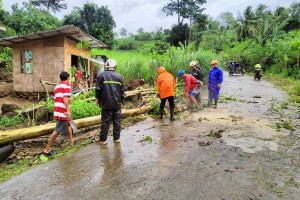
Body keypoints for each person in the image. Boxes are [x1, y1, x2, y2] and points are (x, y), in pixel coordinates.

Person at [43, 71, 74, 155]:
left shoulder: (57, 87)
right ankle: (47, 148)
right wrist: (67, 110)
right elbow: (65, 98)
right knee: (57, 130)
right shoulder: (67, 86)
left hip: (58, 110)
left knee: (68, 124)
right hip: (63, 111)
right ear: (68, 78)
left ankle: (71, 141)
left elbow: (57, 98)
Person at [95, 59, 125, 145]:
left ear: (106, 66)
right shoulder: (119, 76)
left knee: (105, 121)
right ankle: (117, 138)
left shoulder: (101, 75)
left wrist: (97, 100)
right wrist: (122, 101)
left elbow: (98, 89)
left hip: (106, 103)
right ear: (115, 66)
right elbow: (122, 90)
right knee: (117, 121)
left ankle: (103, 140)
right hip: (117, 103)